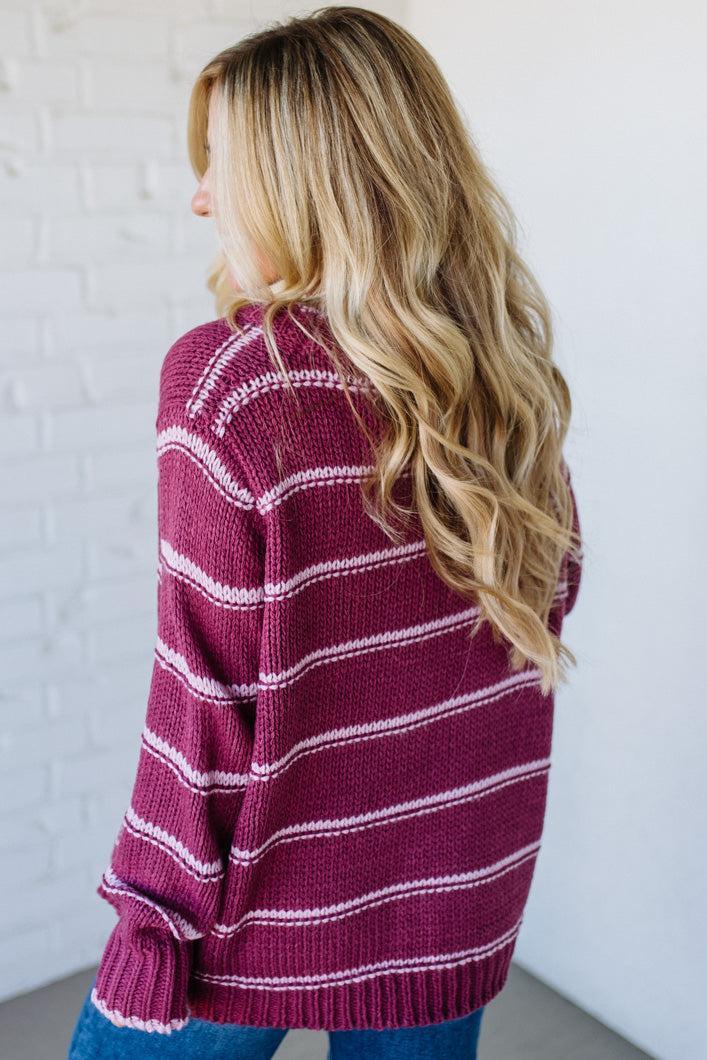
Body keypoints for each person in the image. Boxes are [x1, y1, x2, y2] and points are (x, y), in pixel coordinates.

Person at [67, 6, 583, 1058]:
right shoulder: (498, 375)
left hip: (255, 916)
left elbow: (199, 698)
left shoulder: (231, 388)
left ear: (310, 181)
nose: (201, 195)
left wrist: (152, 928)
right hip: (454, 885)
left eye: (222, 165)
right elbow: (546, 599)